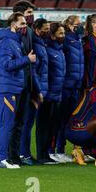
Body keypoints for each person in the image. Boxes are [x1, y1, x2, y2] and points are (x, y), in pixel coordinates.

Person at [0, 12, 36, 168]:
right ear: (13, 24)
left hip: (11, 87)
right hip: (7, 88)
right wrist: (27, 59)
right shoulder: (6, 42)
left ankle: (0, 158)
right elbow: (7, 65)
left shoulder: (15, 41)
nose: (25, 27)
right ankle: (1, 159)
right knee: (6, 124)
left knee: (3, 123)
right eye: (22, 24)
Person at [8, 0, 37, 165]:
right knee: (12, 121)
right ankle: (7, 155)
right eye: (28, 13)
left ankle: (16, 154)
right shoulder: (10, 36)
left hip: (26, 82)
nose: (31, 17)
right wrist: (27, 59)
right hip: (14, 83)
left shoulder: (29, 32)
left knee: (20, 121)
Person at [53, 15, 85, 163]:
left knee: (71, 119)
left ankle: (66, 149)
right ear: (70, 25)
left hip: (75, 85)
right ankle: (56, 150)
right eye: (78, 24)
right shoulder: (66, 39)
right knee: (61, 119)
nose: (80, 26)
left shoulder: (78, 40)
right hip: (66, 85)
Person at [20, 18, 49, 165]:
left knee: (29, 123)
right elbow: (34, 71)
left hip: (39, 89)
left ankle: (25, 154)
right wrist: (37, 92)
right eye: (45, 29)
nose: (47, 31)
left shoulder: (41, 44)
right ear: (37, 30)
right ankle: (24, 154)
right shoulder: (36, 46)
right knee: (27, 123)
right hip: (34, 91)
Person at [36, 23, 66, 165]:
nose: (63, 36)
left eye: (64, 33)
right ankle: (41, 155)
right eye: (60, 33)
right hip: (47, 95)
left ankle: (46, 153)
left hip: (57, 94)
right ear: (52, 36)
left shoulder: (59, 51)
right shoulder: (47, 50)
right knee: (43, 126)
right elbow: (43, 72)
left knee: (53, 126)